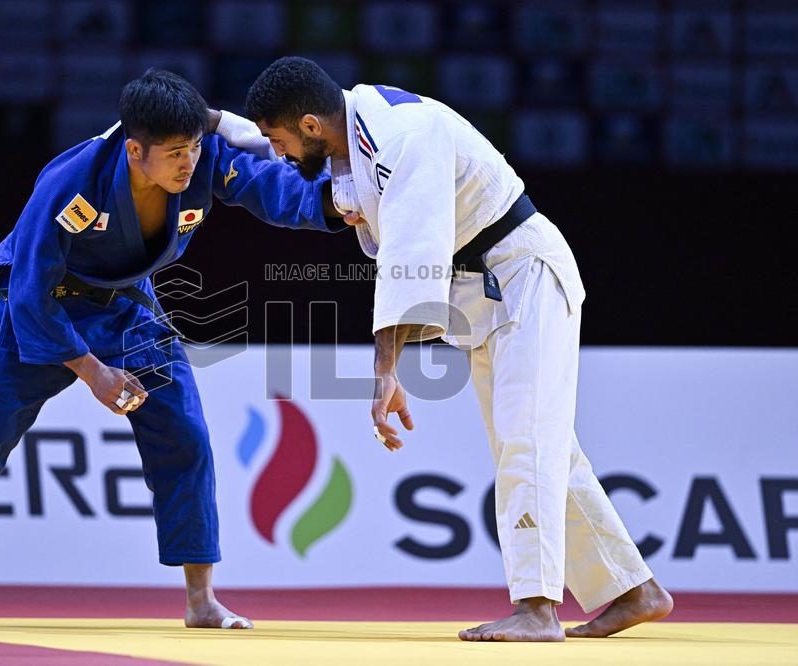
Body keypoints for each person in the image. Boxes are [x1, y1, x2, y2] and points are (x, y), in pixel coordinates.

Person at [0, 69, 346, 629]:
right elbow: (28, 292)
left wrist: (337, 204)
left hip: (126, 308)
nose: (188, 162)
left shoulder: (203, 157)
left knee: (185, 435)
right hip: (39, 311)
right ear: (134, 149)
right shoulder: (73, 181)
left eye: (193, 147)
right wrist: (93, 373)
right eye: (173, 153)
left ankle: (201, 600)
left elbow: (271, 188)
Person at [243, 56, 674, 641]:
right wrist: (216, 123)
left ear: (312, 124)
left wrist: (385, 371)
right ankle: (634, 588)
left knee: (528, 441)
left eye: (281, 139)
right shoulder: (354, 137)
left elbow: (408, 258)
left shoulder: (401, 138)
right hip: (485, 291)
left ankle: (537, 607)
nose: (280, 154)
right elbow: (348, 201)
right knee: (539, 445)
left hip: (523, 274)